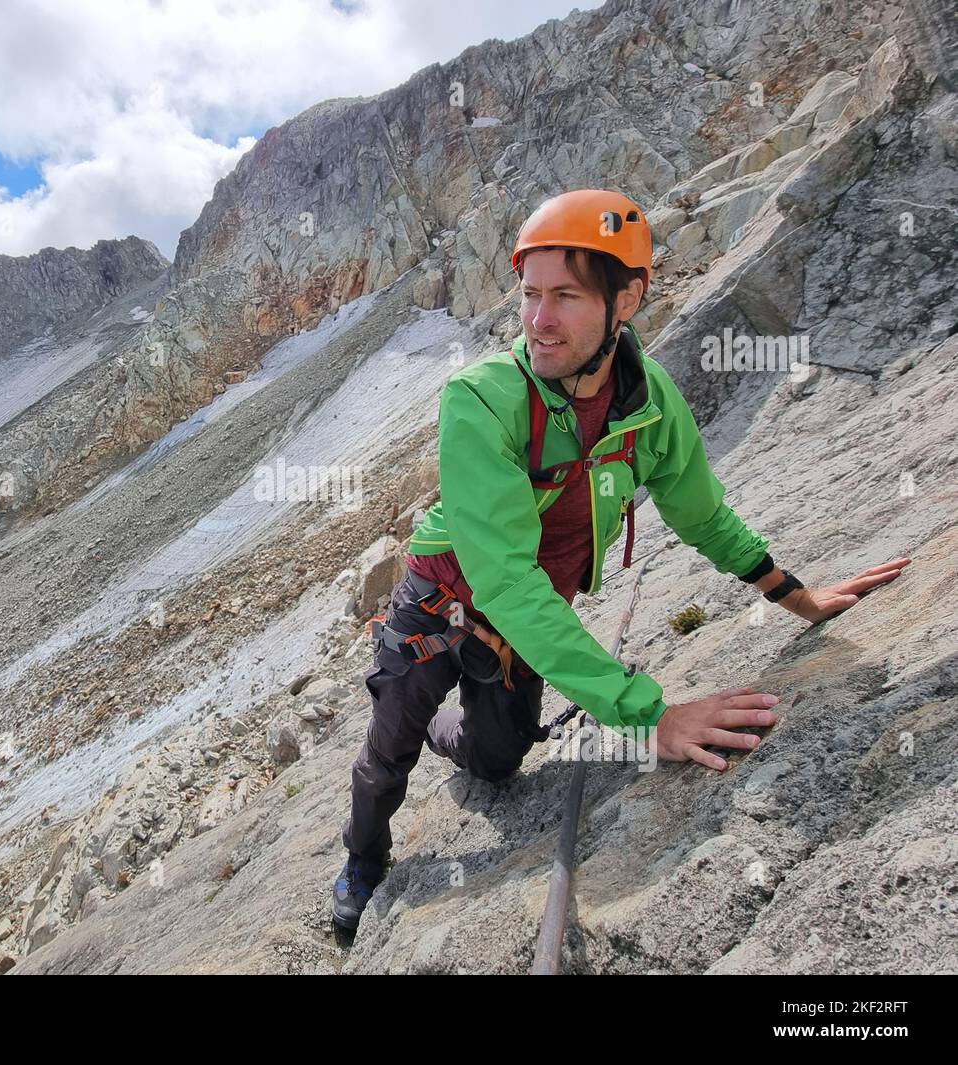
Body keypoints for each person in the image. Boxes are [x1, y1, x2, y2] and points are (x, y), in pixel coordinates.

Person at [330, 188, 911, 930]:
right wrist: (649, 715)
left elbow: (703, 517)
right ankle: (363, 860)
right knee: (385, 757)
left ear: (628, 298)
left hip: (524, 627)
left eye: (565, 296)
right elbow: (506, 579)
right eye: (531, 294)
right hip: (438, 604)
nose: (539, 320)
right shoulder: (482, 400)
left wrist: (800, 598)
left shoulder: (650, 405)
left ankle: (445, 729)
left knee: (498, 762)